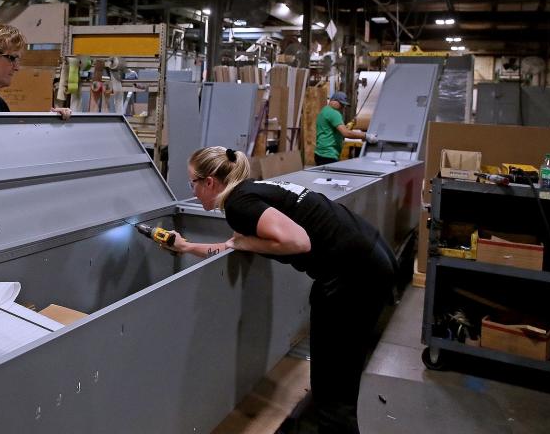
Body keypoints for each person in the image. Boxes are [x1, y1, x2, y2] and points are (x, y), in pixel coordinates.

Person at [168, 146, 396, 434]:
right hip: (370, 258)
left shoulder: (239, 205)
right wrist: (186, 247)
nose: (192, 189)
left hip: (353, 277)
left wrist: (246, 244)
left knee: (332, 387)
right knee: (338, 378)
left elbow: (298, 241)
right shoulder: (249, 192)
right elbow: (230, 245)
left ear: (209, 182)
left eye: (192, 183)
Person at [315, 91, 375, 165]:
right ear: (334, 101)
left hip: (320, 153)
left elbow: (331, 130)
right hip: (329, 155)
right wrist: (366, 135)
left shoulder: (325, 110)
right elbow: (346, 133)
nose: (343, 107)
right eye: (341, 104)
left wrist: (346, 127)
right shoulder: (334, 113)